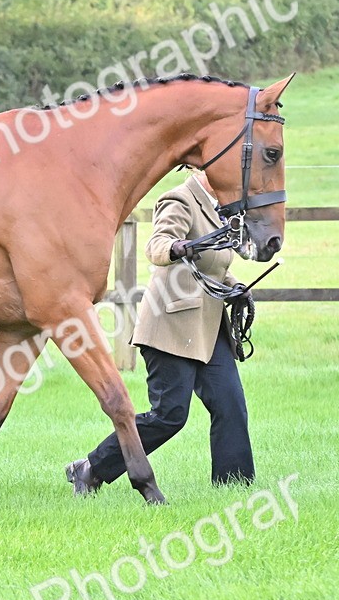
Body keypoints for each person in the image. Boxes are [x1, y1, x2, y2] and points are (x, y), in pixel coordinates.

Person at [65, 170, 255, 494]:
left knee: (230, 404)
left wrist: (236, 286)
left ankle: (233, 486)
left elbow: (214, 266)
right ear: (201, 169)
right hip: (170, 326)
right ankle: (90, 468)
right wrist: (178, 246)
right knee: (169, 416)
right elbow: (157, 245)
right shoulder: (180, 199)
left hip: (209, 329)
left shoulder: (219, 207)